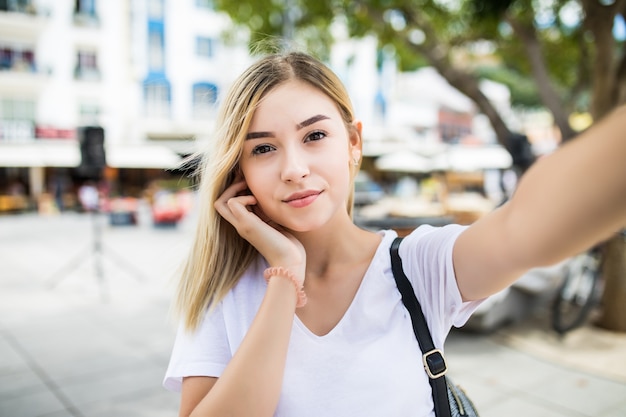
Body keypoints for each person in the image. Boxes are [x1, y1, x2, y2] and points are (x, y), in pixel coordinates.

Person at [163, 51, 626, 417]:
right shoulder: (222, 289)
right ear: (239, 169)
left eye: (315, 136)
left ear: (354, 143)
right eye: (263, 148)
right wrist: (285, 278)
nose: (294, 169)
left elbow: (528, 225)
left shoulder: (416, 267)